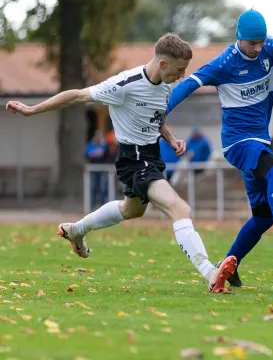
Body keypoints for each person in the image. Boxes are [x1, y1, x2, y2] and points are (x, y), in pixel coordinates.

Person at [5, 33, 236, 293]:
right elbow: (77, 95)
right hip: (134, 159)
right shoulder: (124, 84)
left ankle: (77, 230)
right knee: (180, 209)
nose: (181, 76)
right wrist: (32, 110)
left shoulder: (164, 85)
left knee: (132, 210)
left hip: (151, 156)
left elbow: (155, 116)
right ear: (162, 64)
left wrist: (171, 139)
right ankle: (210, 273)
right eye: (179, 70)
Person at [166, 9, 273, 287]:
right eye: (252, 43)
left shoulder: (271, 48)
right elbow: (187, 85)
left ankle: (228, 266)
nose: (258, 48)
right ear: (239, 39)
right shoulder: (225, 63)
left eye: (261, 41)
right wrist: (159, 110)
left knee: (261, 217)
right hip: (237, 142)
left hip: (259, 141)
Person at [85, 130, 109, 209]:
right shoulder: (91, 144)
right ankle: (92, 205)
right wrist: (96, 153)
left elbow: (105, 154)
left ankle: (103, 206)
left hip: (103, 169)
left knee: (103, 188)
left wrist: (96, 153)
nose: (98, 138)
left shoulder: (105, 144)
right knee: (93, 187)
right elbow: (87, 154)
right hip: (93, 169)